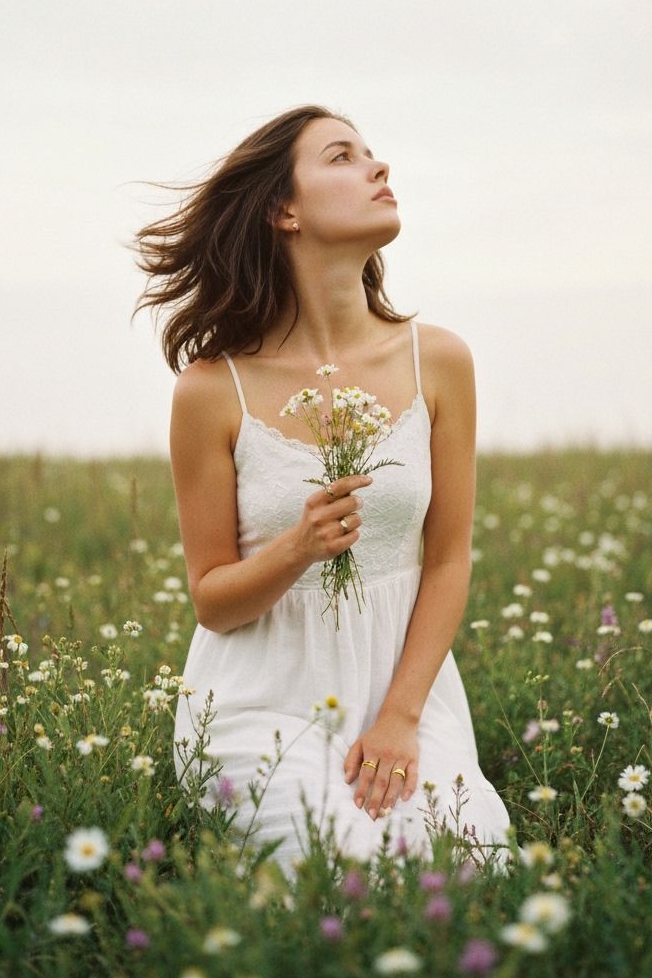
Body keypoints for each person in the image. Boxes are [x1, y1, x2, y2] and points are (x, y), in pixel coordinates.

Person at [131, 104, 513, 878]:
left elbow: (446, 561)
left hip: (405, 698)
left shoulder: (438, 360)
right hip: (258, 704)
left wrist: (401, 719)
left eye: (372, 154)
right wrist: (298, 547)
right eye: (343, 156)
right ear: (285, 209)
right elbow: (213, 599)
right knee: (346, 871)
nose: (379, 168)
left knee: (475, 863)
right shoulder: (212, 391)